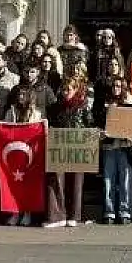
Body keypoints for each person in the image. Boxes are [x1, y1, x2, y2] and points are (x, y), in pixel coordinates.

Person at [45, 76, 94, 228]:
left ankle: (74, 216)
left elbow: (90, 124)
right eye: (64, 89)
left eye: (69, 89)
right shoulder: (56, 106)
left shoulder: (83, 106)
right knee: (56, 180)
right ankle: (57, 216)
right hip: (60, 147)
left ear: (76, 90)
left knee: (76, 182)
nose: (66, 92)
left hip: (78, 148)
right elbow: (52, 123)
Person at [94, 77, 132, 225]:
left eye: (119, 85)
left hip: (125, 146)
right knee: (108, 180)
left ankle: (125, 211)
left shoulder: (130, 101)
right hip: (109, 146)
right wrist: (101, 132)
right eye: (113, 85)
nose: (116, 88)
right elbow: (98, 121)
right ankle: (109, 211)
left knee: (125, 180)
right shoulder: (104, 102)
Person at [3, 83, 45, 226]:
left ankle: (27, 212)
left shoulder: (37, 113)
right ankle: (15, 212)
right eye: (19, 94)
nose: (20, 97)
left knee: (28, 183)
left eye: (23, 94)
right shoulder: (11, 111)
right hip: (14, 153)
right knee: (14, 183)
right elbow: (4, 129)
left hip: (29, 153)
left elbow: (39, 131)